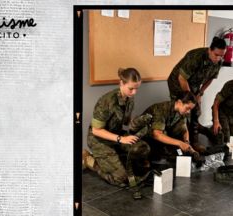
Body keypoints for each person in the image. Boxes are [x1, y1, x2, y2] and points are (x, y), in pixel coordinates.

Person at [83, 67, 150, 199]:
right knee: (121, 178)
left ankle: (116, 158)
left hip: (116, 135)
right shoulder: (106, 101)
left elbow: (126, 122)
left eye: (137, 88)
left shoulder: (129, 99)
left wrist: (139, 122)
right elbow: (96, 130)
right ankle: (88, 159)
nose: (134, 92)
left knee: (143, 148)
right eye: (131, 88)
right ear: (121, 83)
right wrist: (121, 139)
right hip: (98, 140)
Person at [167, 37, 227, 151]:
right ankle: (179, 142)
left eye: (222, 56)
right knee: (181, 112)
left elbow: (210, 79)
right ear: (210, 50)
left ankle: (194, 141)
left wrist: (200, 93)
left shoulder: (218, 62)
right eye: (216, 55)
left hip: (194, 85)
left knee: (196, 111)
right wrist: (191, 99)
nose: (219, 58)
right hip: (177, 83)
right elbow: (182, 78)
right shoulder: (195, 57)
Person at [142, 92, 205, 166]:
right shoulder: (161, 109)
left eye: (190, 109)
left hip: (162, 132)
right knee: (164, 135)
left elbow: (184, 129)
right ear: (179, 102)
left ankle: (167, 151)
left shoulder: (181, 111)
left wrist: (187, 143)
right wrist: (180, 143)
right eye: (187, 108)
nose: (188, 111)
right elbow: (157, 135)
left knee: (179, 129)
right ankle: (154, 156)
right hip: (144, 136)